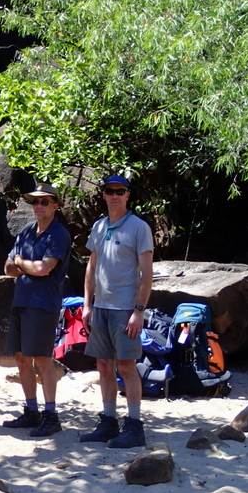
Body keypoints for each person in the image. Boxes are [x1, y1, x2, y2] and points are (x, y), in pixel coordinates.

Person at [80, 175, 154, 448]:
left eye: (120, 191)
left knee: (126, 365)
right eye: (110, 191)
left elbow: (147, 274)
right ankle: (108, 420)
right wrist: (87, 304)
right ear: (103, 194)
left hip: (125, 308)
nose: (114, 195)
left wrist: (139, 311)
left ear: (127, 195)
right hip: (101, 307)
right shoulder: (99, 226)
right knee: (103, 364)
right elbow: (92, 266)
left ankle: (134, 425)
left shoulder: (139, 227)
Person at [2, 183, 71, 437]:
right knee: (21, 358)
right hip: (21, 301)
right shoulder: (25, 232)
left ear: (55, 205)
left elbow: (44, 269)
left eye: (44, 202)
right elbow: (7, 268)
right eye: (35, 202)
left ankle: (51, 415)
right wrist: (27, 265)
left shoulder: (59, 234)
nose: (39, 206)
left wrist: (21, 262)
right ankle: (31, 411)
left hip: (43, 304)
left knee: (42, 359)